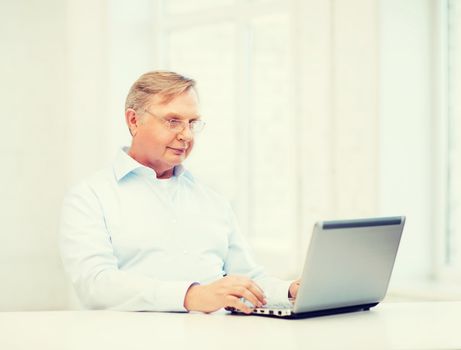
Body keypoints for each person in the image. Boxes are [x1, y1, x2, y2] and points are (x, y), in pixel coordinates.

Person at [59, 70, 300, 314]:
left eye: (192, 123)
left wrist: (289, 291)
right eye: (172, 121)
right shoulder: (89, 197)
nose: (186, 135)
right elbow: (96, 284)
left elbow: (246, 279)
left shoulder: (212, 200)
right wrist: (189, 296)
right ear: (134, 121)